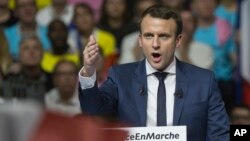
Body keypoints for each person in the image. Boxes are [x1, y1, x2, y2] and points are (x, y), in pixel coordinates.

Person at [78, 5, 229, 141]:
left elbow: (220, 134)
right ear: (140, 40)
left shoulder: (204, 80)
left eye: (163, 36)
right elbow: (93, 109)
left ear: (178, 41)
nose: (155, 44)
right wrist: (89, 71)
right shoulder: (121, 76)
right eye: (149, 36)